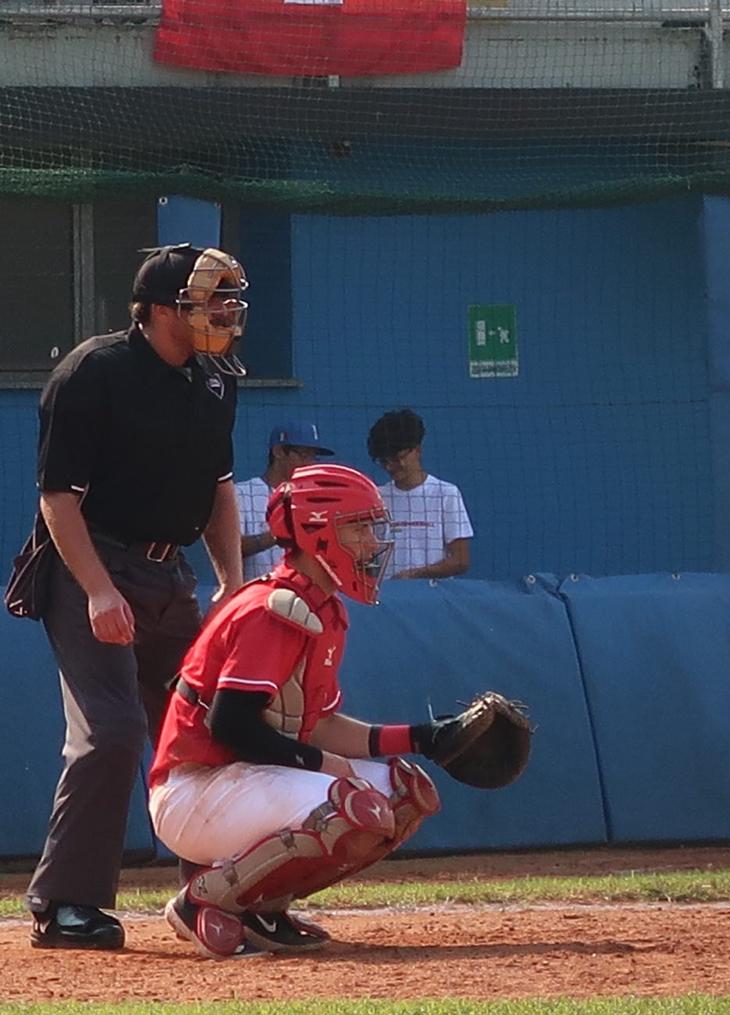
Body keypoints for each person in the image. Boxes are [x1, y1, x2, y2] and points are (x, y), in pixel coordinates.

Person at [5, 244, 248, 951]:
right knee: (112, 731)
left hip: (169, 575)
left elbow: (219, 493)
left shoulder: (215, 380)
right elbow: (57, 498)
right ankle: (66, 903)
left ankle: (223, 892)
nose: (226, 311)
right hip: (92, 565)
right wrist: (99, 590)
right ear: (162, 310)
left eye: (231, 298)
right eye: (211, 300)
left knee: (206, 728)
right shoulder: (94, 372)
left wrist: (231, 582)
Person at [150, 464, 482, 958]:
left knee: (406, 793)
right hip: (194, 790)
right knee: (354, 803)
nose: (372, 542)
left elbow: (320, 725)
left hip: (241, 784)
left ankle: (262, 903)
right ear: (314, 532)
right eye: (358, 526)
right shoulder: (271, 609)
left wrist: (423, 737)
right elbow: (231, 724)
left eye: (373, 526)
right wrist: (328, 767)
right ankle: (204, 901)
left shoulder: (321, 606)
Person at [366, 408, 473, 580]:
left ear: (417, 450)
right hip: (388, 599)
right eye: (384, 461)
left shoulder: (446, 494)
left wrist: (416, 575)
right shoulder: (376, 497)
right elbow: (367, 556)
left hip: (433, 597)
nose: (390, 467)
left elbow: (461, 560)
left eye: (397, 458)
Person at [237, 420, 335, 582]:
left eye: (313, 457)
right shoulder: (242, 493)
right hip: (258, 593)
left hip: (302, 595)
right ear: (278, 451)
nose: (309, 463)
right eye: (304, 455)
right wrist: (278, 534)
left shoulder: (317, 499)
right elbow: (230, 549)